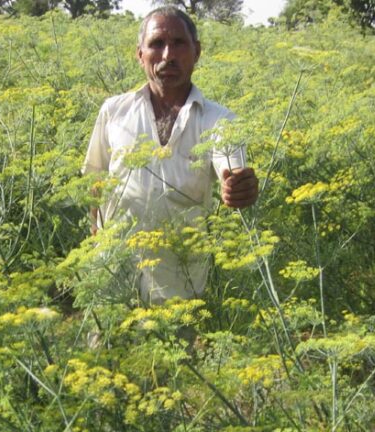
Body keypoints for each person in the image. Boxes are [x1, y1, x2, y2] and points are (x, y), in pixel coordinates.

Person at [83, 6, 259, 305]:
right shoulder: (114, 111)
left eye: (179, 43)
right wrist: (96, 241)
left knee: (180, 349)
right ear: (140, 54)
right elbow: (94, 179)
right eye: (156, 44)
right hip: (114, 274)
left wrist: (240, 187)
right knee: (106, 351)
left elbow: (232, 170)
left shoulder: (220, 121)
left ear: (197, 52)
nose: (168, 55)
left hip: (181, 282)